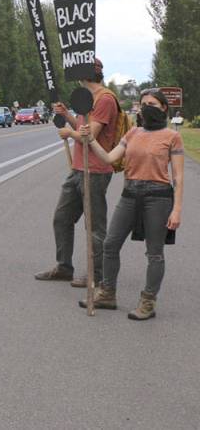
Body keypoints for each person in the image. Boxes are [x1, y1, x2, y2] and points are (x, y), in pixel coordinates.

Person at [78, 89, 185, 320]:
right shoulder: (133, 133)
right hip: (130, 194)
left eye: (153, 104)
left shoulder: (172, 136)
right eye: (144, 103)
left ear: (164, 108)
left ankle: (148, 301)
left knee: (155, 253)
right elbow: (109, 158)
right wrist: (90, 139)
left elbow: (178, 176)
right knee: (110, 244)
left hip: (158, 197)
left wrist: (176, 209)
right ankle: (107, 293)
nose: (148, 107)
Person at [35, 58, 119, 288]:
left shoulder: (105, 99)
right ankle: (64, 267)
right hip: (78, 168)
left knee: (94, 226)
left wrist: (69, 134)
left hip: (96, 170)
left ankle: (97, 274)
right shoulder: (88, 99)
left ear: (84, 74)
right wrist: (67, 117)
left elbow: (89, 134)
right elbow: (81, 126)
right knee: (62, 218)